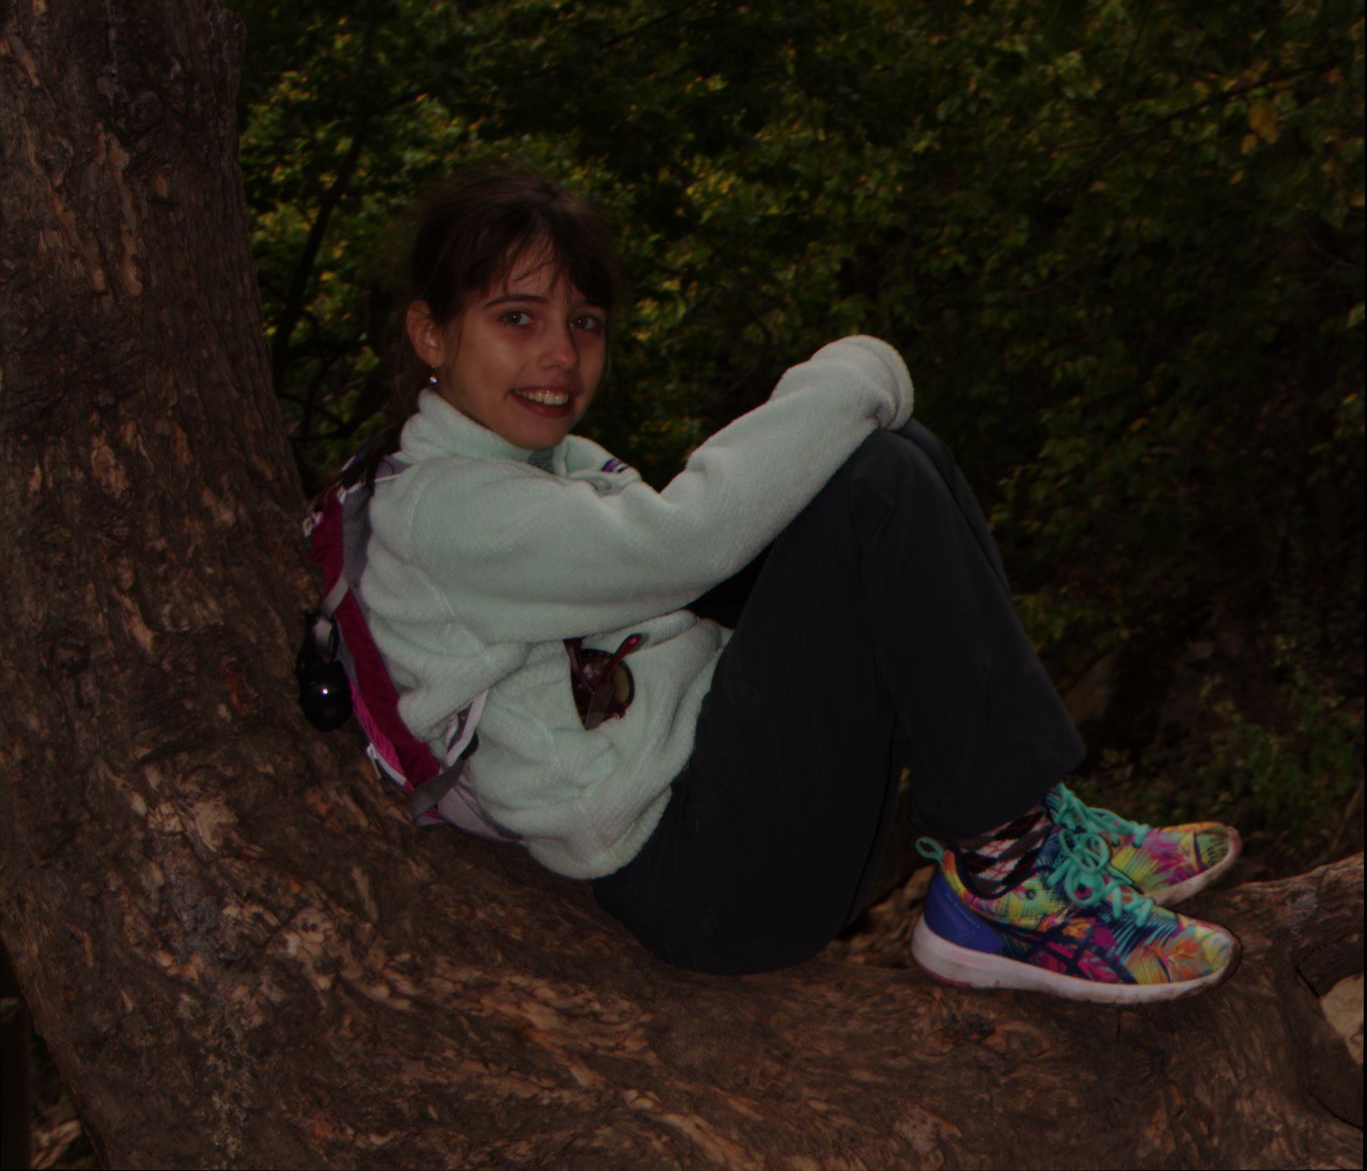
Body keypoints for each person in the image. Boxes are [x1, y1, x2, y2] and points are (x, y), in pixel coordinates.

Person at [360, 164, 1242, 1001]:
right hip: (701, 879)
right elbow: (687, 546)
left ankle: (1021, 833)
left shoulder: (554, 468)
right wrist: (859, 371)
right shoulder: (449, 509)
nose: (559, 353)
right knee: (873, 484)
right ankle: (1007, 882)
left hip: (740, 818)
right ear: (431, 332)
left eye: (583, 322)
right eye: (517, 318)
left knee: (893, 466)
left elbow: (711, 575)